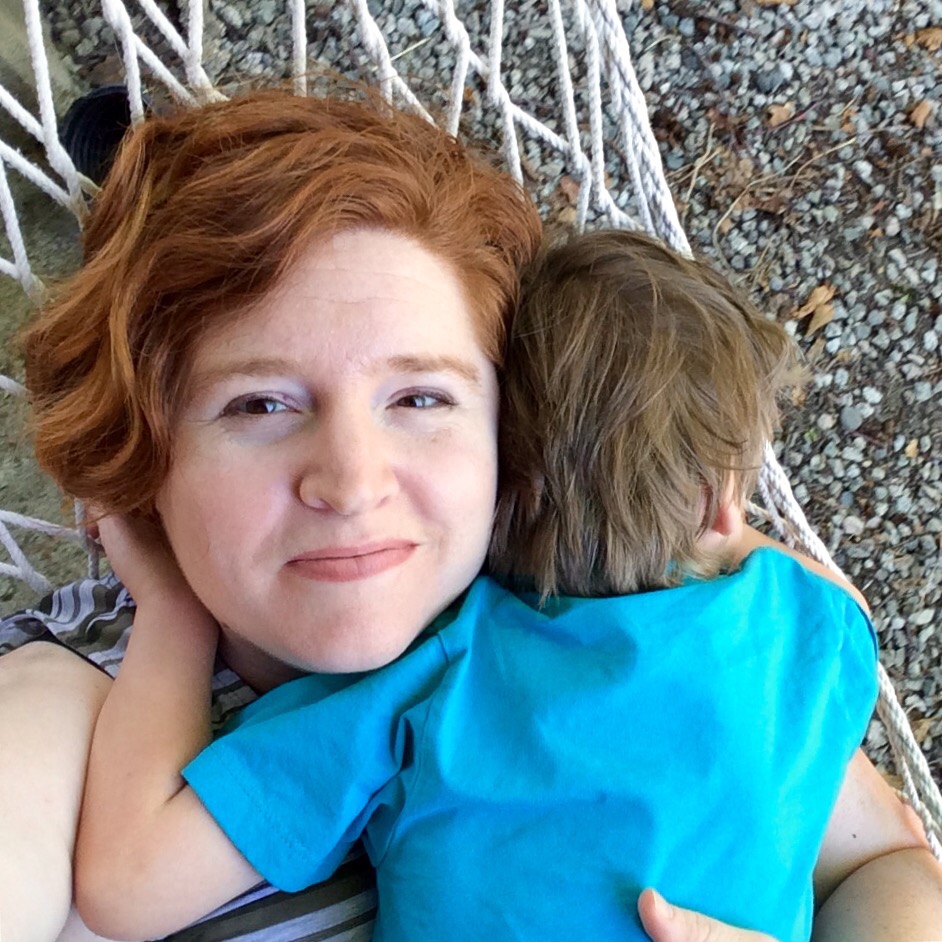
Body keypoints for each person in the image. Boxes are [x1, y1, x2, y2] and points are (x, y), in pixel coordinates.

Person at [0, 88, 938, 942]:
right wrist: (170, 614)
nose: (353, 483)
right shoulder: (60, 707)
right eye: (260, 404)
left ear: (510, 436)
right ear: (141, 449)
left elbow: (888, 863)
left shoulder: (582, 615)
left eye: (421, 398)